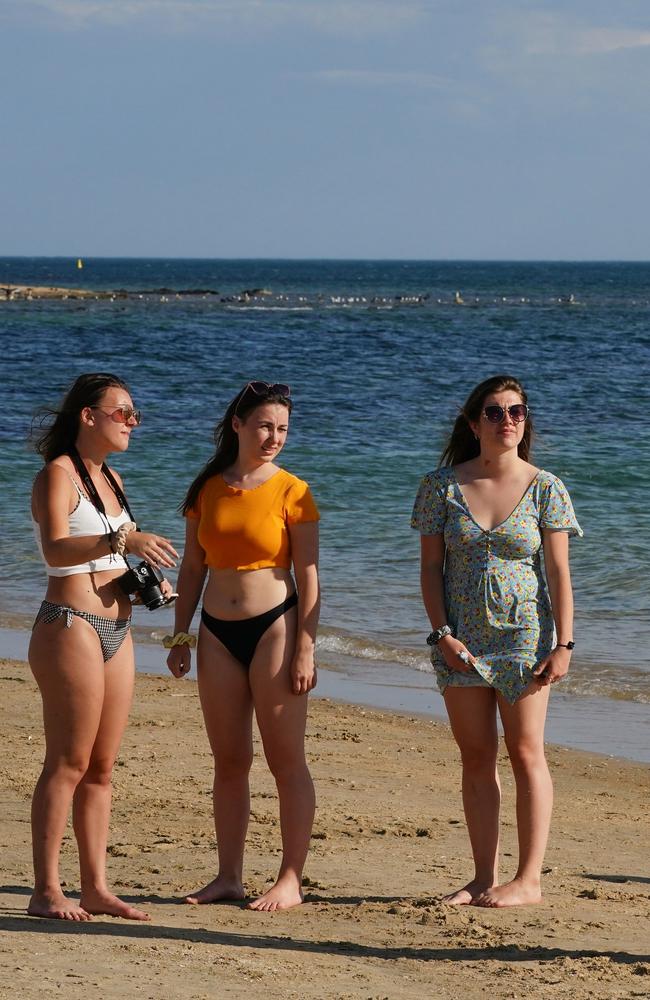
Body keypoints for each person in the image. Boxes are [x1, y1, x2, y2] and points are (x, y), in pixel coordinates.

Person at [411, 374, 582, 908]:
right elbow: (431, 569)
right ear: (473, 422)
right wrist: (442, 635)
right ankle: (484, 876)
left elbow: (558, 573)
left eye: (516, 412)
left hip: (525, 638)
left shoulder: (546, 487)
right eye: (494, 412)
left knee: (526, 751)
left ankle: (528, 879)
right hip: (460, 639)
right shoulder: (441, 486)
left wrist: (564, 645)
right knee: (476, 756)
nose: (507, 420)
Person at [28, 372, 178, 921]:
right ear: (88, 416)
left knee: (102, 767)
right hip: (70, 624)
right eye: (124, 413)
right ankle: (46, 890)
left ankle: (95, 886)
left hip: (118, 627)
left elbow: (110, 558)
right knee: (67, 761)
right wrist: (124, 539)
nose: (133, 422)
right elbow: (57, 547)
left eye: (135, 414)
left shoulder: (110, 478)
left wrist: (145, 581)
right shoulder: (57, 475)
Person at [166, 380, 320, 912]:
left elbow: (310, 577)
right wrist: (181, 634)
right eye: (264, 425)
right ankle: (228, 876)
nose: (274, 436)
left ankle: (290, 878)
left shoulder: (294, 491)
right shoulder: (206, 488)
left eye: (282, 428)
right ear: (237, 424)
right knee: (229, 761)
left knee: (285, 761)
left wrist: (306, 646)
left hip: (276, 626)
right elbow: (191, 568)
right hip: (214, 632)